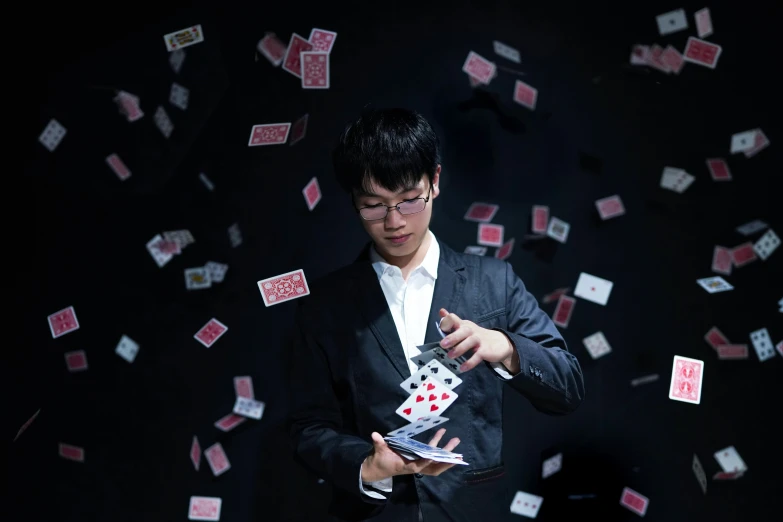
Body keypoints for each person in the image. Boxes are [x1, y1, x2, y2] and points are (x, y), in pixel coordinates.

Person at [287, 108, 584, 522]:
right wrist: (368, 467)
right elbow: (307, 428)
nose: (394, 222)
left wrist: (507, 349)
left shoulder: (494, 282)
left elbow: (568, 387)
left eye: (409, 200)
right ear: (353, 201)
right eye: (373, 206)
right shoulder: (324, 304)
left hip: (473, 510)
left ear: (436, 181)